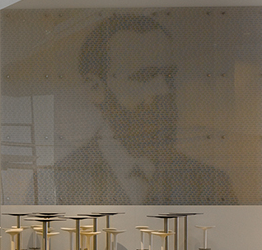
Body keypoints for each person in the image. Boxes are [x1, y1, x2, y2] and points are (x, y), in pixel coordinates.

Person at [54, 14, 235, 205]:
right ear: (95, 88)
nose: (164, 91)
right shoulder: (60, 179)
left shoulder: (212, 183)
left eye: (169, 76)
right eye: (144, 77)